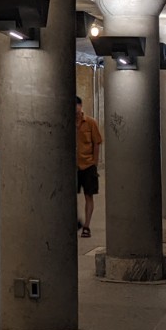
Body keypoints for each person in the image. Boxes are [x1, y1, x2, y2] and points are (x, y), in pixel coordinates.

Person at [75, 95, 102, 236]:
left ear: (80, 106)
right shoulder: (67, 122)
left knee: (88, 195)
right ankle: (76, 220)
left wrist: (94, 163)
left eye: (76, 107)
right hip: (73, 166)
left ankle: (87, 225)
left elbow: (96, 143)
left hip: (88, 165)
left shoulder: (91, 122)